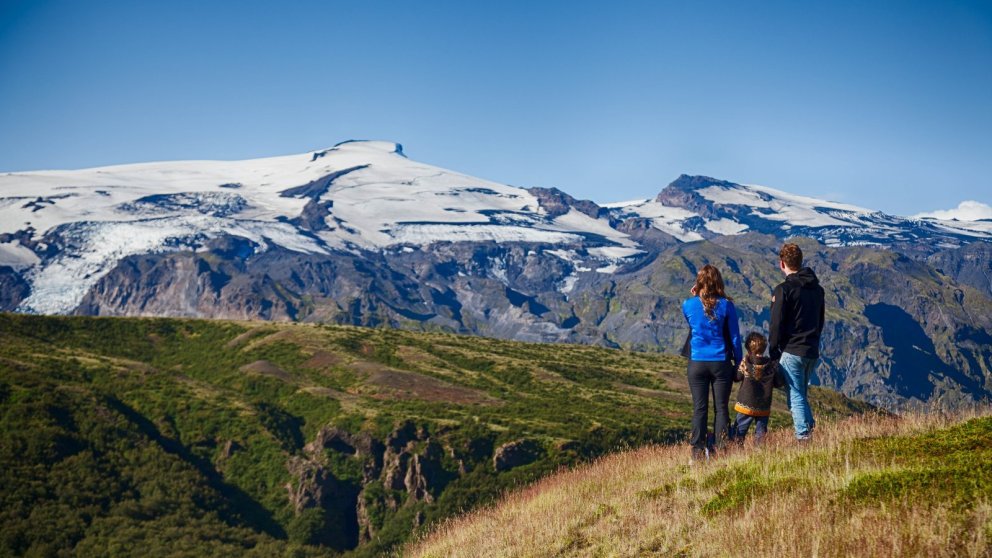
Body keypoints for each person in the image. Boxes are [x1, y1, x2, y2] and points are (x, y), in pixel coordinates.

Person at [682, 264, 742, 461]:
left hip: (697, 362)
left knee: (699, 408)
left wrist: (696, 294)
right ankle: (721, 450)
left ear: (698, 283)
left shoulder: (688, 305)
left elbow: (694, 322)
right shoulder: (726, 305)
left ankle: (697, 452)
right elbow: (735, 337)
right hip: (720, 362)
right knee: (721, 408)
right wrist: (739, 362)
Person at [769, 243, 825, 441]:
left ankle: (803, 437)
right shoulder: (818, 290)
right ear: (800, 261)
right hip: (811, 349)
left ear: (782, 263)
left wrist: (773, 350)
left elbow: (776, 323)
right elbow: (820, 320)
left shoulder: (783, 290)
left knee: (795, 396)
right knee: (801, 393)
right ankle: (810, 431)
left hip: (792, 350)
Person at [731, 332, 784, 445]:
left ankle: (736, 449)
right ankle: (760, 451)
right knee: (761, 433)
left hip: (746, 403)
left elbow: (737, 377)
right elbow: (778, 382)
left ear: (748, 348)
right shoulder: (771, 365)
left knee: (739, 431)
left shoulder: (746, 362)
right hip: (763, 405)